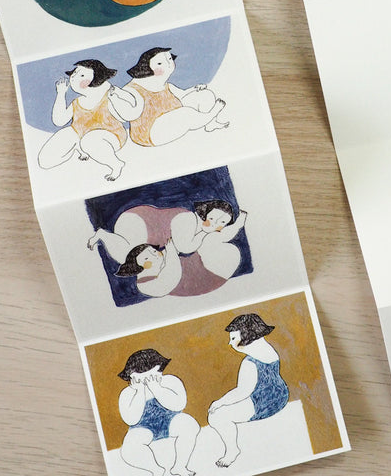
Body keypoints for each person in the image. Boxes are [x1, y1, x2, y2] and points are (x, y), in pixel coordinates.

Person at [87, 202, 248, 298]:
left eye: (222, 223)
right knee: (127, 255)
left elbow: (184, 250)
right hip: (139, 223)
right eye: (212, 218)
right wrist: (203, 234)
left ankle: (102, 235)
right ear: (203, 212)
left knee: (127, 256)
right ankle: (102, 235)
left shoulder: (201, 233)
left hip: (143, 230)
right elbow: (185, 247)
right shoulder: (188, 219)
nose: (214, 224)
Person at [207, 314, 290, 468]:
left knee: (216, 416)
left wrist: (219, 402)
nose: (230, 343)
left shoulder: (250, 363)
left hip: (263, 402)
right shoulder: (270, 350)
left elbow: (242, 391)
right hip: (281, 395)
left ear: (247, 336)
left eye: (233, 338)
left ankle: (232, 451)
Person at [37, 59, 139, 181]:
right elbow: (59, 121)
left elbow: (130, 110)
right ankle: (80, 148)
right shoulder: (77, 102)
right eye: (74, 74)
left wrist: (116, 94)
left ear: (97, 78)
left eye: (81, 75)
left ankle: (116, 165)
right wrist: (61, 93)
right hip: (80, 134)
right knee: (45, 160)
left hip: (111, 136)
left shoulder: (108, 95)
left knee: (90, 141)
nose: (74, 78)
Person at [122, 48, 228, 147]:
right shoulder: (133, 89)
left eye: (169, 59)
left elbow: (182, 95)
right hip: (150, 132)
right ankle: (211, 114)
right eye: (160, 63)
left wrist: (195, 89)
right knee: (185, 113)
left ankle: (210, 123)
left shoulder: (166, 85)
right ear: (146, 68)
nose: (168, 65)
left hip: (172, 118)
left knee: (205, 95)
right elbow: (125, 111)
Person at [117, 348, 199, 476]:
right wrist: (140, 392)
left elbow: (179, 405)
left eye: (152, 376)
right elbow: (131, 420)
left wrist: (157, 388)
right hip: (142, 427)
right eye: (141, 378)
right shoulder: (127, 393)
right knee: (128, 449)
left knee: (190, 424)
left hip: (170, 419)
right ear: (131, 377)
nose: (147, 381)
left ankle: (180, 466)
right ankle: (156, 470)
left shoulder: (170, 381)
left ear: (160, 369)